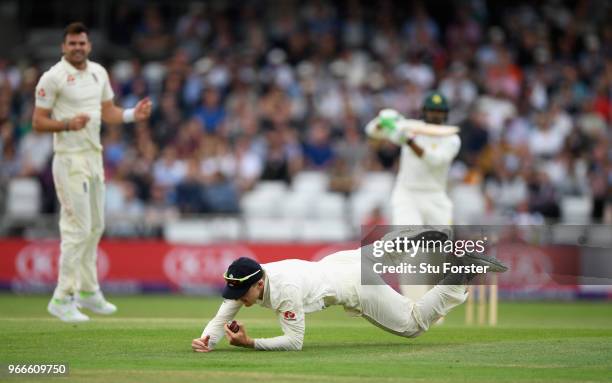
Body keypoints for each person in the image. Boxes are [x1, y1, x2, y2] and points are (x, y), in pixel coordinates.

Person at [191, 228, 507, 352]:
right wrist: (208, 339)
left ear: (258, 284)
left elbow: (295, 341)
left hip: (352, 284)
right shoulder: (256, 275)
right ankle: (409, 242)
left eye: (241, 294)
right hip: (342, 261)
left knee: (412, 325)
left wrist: (251, 343)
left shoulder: (284, 290)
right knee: (380, 255)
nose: (237, 300)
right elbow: (224, 313)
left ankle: (462, 273)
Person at [32, 22, 152, 322]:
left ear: (89, 45)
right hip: (69, 158)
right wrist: (66, 125)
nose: (77, 48)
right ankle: (62, 297)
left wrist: (130, 115)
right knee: (77, 229)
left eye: (82, 43)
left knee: (96, 227)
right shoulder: (53, 77)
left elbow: (106, 111)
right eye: (72, 44)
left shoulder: (99, 72)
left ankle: (88, 291)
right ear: (63, 47)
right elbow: (38, 121)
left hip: (93, 157)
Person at [365, 92, 461, 303]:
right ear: (424, 112)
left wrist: (408, 140)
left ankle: (434, 303)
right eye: (432, 111)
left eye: (439, 112)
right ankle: (415, 304)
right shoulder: (409, 127)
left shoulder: (451, 138)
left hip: (436, 198)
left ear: (445, 115)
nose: (435, 116)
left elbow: (435, 161)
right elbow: (372, 131)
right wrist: (384, 121)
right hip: (407, 194)